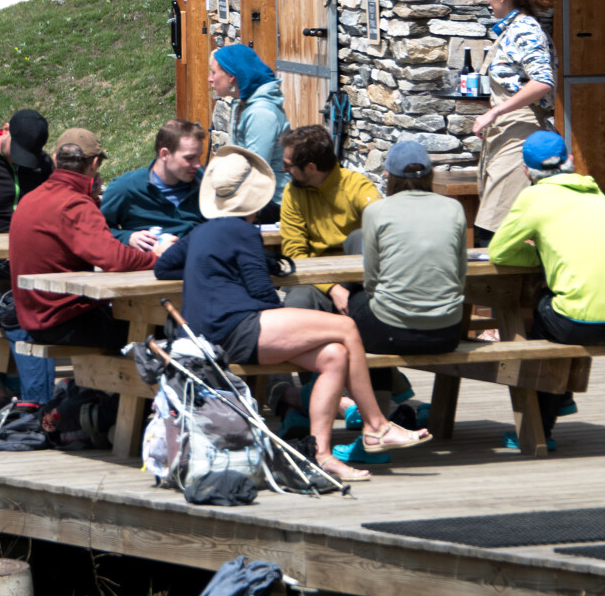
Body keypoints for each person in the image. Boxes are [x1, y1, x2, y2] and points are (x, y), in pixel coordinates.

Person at [152, 145, 427, 482]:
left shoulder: (201, 233)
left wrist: (217, 266)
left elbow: (163, 268)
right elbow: (261, 293)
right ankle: (376, 425)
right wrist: (287, 330)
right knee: (345, 327)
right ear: (255, 200)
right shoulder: (243, 232)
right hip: (237, 327)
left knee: (334, 356)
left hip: (208, 334)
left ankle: (322, 455)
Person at [486, 131, 605, 450]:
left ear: (525, 172)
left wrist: (540, 255)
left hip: (582, 324)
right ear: (570, 162)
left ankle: (539, 429)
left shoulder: (534, 197)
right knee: (561, 307)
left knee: (540, 315)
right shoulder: (595, 192)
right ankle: (562, 396)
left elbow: (499, 252)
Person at [9, 129, 164, 354]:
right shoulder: (75, 204)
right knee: (161, 327)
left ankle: (100, 389)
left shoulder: (31, 198)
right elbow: (114, 259)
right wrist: (157, 257)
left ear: (55, 160)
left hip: (34, 318)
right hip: (64, 320)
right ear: (93, 164)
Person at [350, 139, 469, 406]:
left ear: (388, 176)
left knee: (356, 305)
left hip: (393, 332)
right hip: (447, 331)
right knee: (370, 311)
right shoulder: (454, 208)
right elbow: (461, 275)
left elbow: (371, 279)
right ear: (429, 174)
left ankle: (378, 414)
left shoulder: (376, 211)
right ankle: (392, 402)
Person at [469, 0, 558, 245]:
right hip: (508, 132)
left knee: (495, 232)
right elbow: (518, 84)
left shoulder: (525, 30)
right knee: (496, 224)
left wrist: (496, 110)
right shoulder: (513, 29)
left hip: (519, 136)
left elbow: (543, 81)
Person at [276, 125, 381, 315]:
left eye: (288, 165)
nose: (284, 170)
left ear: (311, 167)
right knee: (295, 308)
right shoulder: (293, 193)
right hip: (313, 277)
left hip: (357, 274)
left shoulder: (357, 187)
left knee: (360, 237)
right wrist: (333, 289)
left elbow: (383, 230)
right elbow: (294, 252)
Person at [208, 45, 288, 215]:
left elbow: (257, 170)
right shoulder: (242, 104)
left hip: (271, 203)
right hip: (253, 198)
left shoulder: (261, 113)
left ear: (231, 77)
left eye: (214, 72)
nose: (209, 78)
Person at [101, 120, 207, 249]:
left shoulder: (205, 182)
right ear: (165, 154)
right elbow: (97, 231)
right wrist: (127, 237)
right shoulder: (126, 188)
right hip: (149, 266)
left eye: (199, 157)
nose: (197, 164)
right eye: (189, 158)